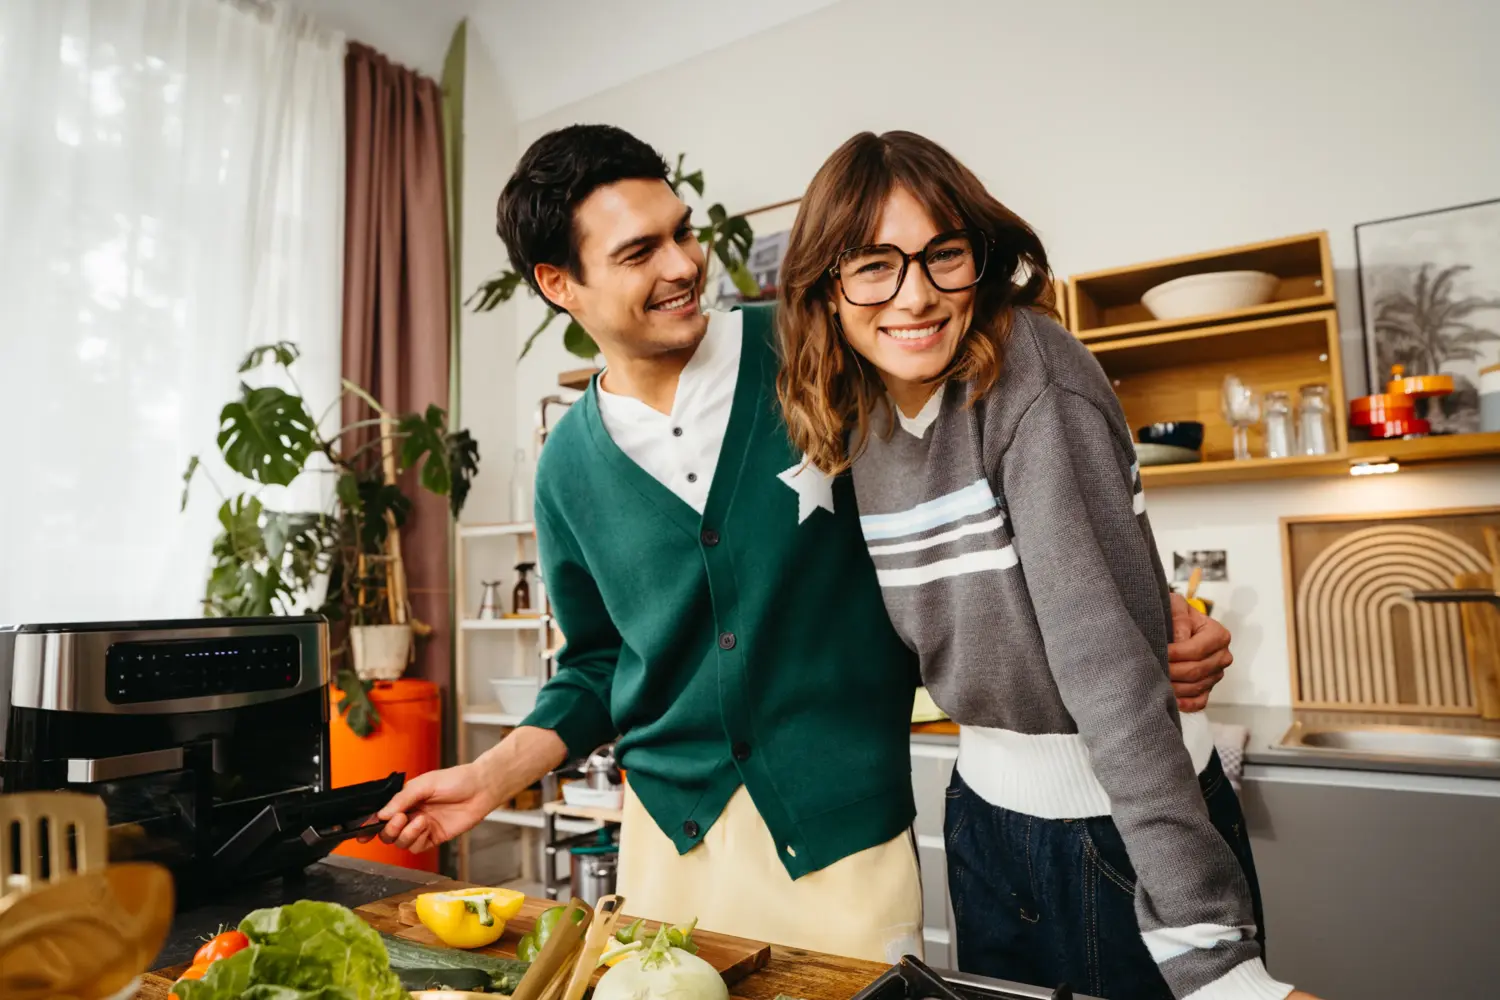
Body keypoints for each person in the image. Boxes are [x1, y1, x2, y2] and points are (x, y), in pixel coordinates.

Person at [374, 124, 1235, 963]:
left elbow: (981, 479)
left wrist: (1140, 606)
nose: (681, 266)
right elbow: (598, 662)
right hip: (667, 840)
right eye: (639, 253)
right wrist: (489, 778)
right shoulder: (567, 465)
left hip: (841, 833)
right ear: (560, 283)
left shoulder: (823, 351)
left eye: (681, 234)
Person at [775, 131, 1312, 999]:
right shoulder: (865, 415)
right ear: (825, 290)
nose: (914, 295)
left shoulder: (1031, 374)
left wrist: (1210, 950)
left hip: (1116, 831)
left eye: (941, 255)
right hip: (986, 820)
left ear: (977, 259)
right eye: (873, 264)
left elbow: (1107, 673)